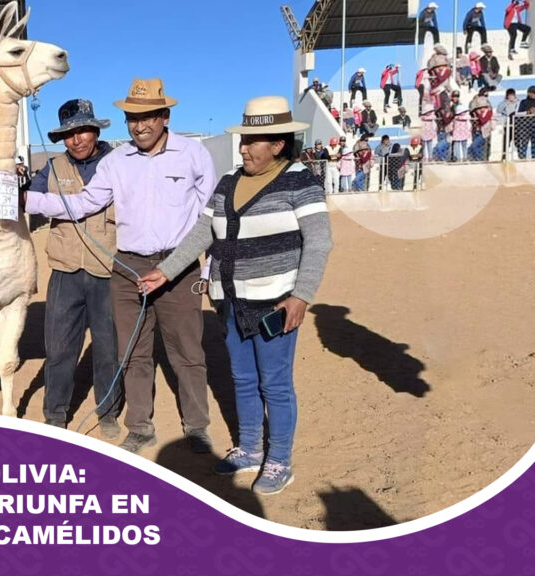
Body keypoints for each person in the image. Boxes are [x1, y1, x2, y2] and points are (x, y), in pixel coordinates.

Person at [138, 95, 332, 495]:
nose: (243, 148)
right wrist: (166, 271)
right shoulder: (228, 182)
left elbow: (319, 242)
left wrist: (301, 296)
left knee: (274, 383)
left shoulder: (301, 181)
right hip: (229, 300)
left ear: (278, 144)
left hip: (276, 303)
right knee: (243, 378)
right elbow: (201, 234)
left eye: (253, 141)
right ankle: (249, 448)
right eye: (243, 139)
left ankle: (279, 459)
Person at [24, 78, 217, 455]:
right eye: (132, 118)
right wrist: (22, 200)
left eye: (148, 117)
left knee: (187, 353)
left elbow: (212, 215)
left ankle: (197, 427)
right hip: (128, 268)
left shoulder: (194, 154)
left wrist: (206, 269)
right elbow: (81, 205)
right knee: (133, 353)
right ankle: (140, 427)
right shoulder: (115, 162)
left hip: (179, 266)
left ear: (165, 116)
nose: (140, 126)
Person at [28, 98, 121, 435]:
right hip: (65, 273)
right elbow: (26, 200)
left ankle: (108, 413)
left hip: (107, 273)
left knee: (108, 348)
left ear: (95, 130)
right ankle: (55, 414)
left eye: (82, 130)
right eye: (69, 134)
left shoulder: (119, 163)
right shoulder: (51, 169)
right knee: (59, 349)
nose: (76, 139)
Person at [499, 88, 519, 159]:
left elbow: (519, 111)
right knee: (506, 141)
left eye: (512, 95)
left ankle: (521, 156)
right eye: (509, 95)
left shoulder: (518, 102)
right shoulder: (504, 103)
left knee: (518, 141)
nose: (511, 97)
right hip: (507, 125)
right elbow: (499, 110)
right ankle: (504, 156)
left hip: (517, 125)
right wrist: (507, 103)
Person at [516, 86, 535, 158]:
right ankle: (522, 158)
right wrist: (528, 112)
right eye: (532, 93)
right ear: (529, 93)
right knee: (523, 143)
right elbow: (517, 114)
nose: (533, 95)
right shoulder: (523, 102)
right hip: (525, 126)